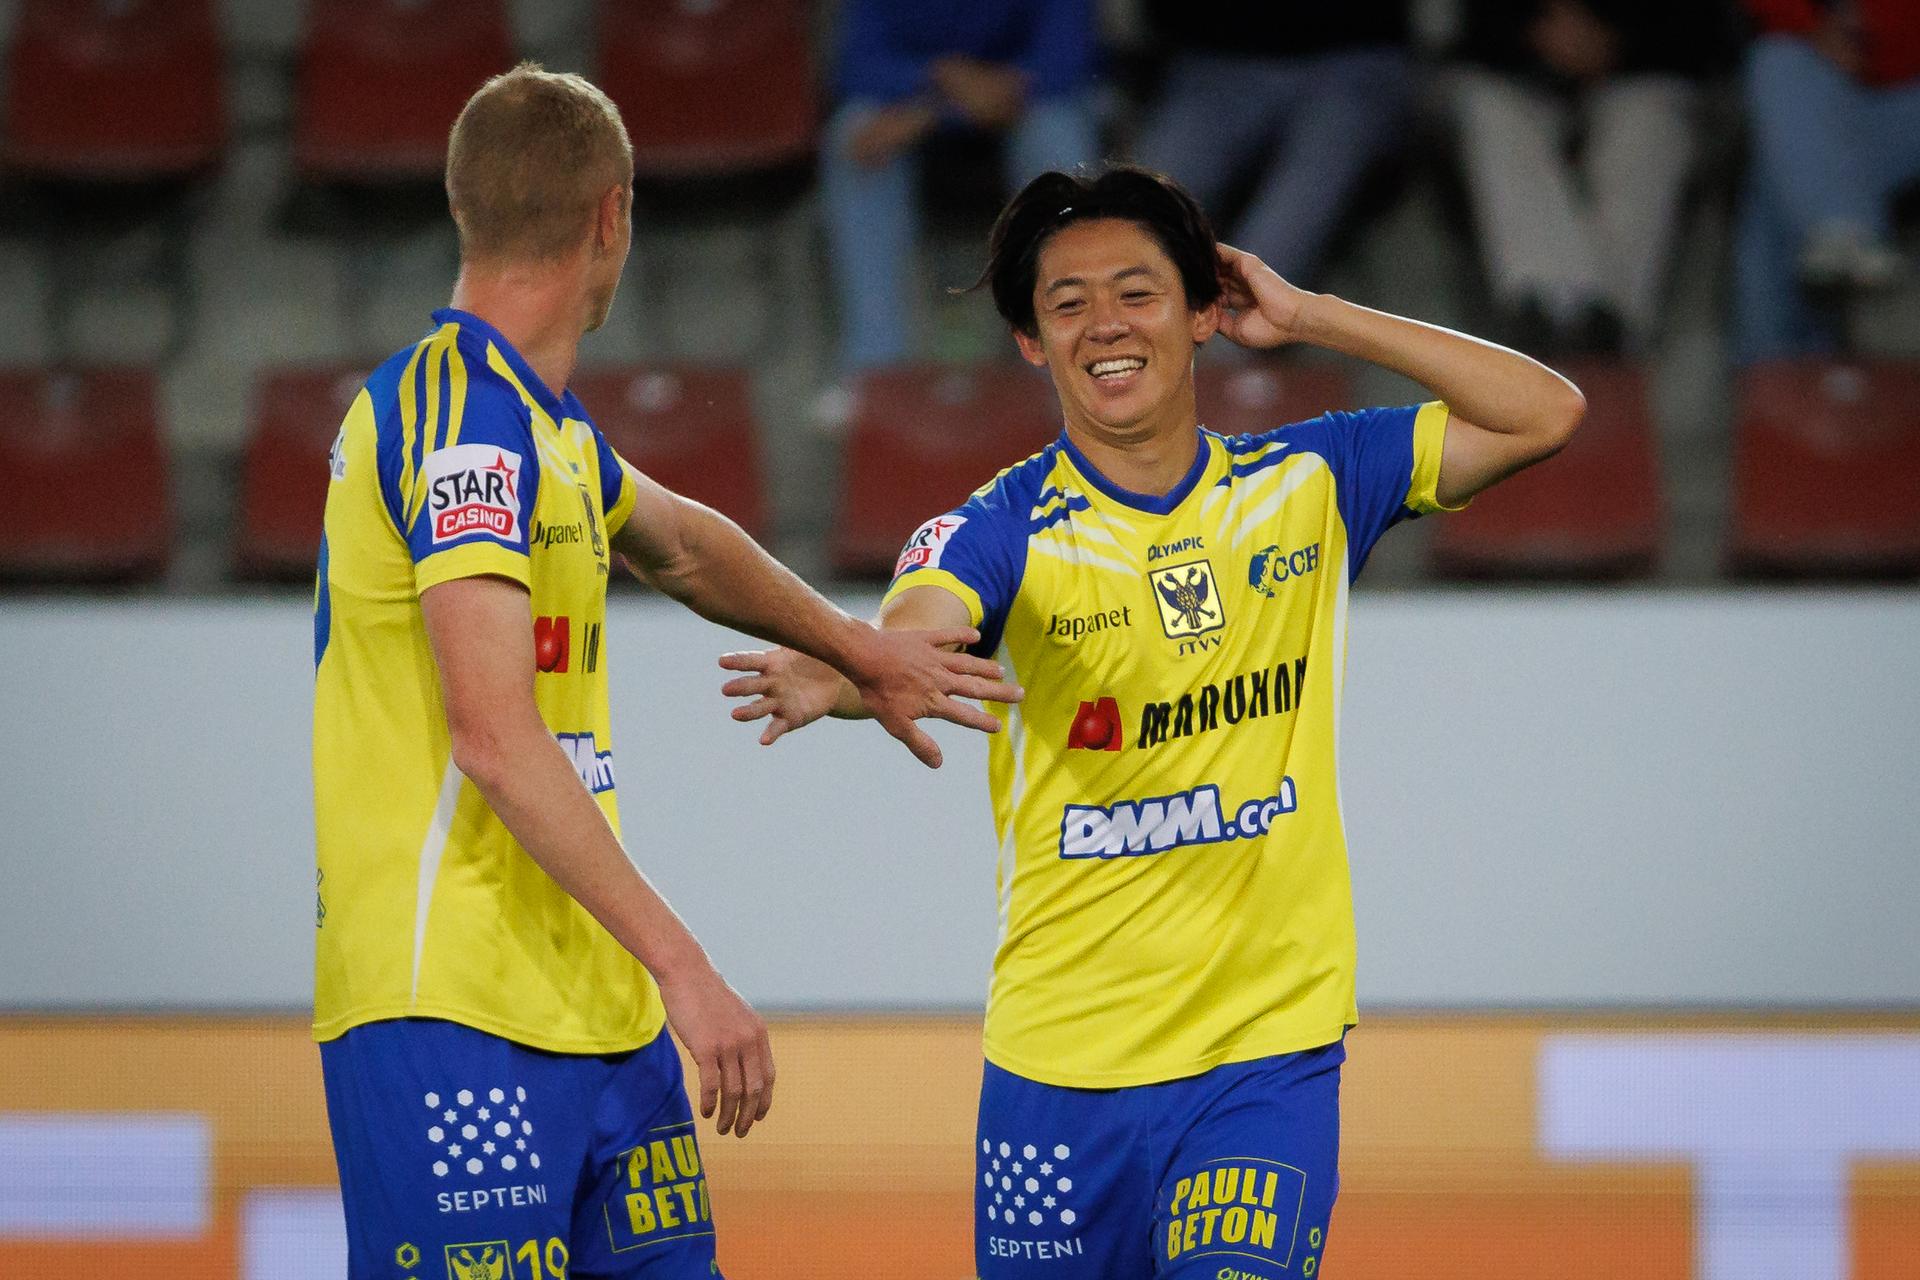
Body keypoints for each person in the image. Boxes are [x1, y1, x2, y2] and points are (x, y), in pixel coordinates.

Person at [719, 165, 1583, 1278]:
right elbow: (924, 632)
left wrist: (1313, 314)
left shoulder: (1309, 481)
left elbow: (1547, 411)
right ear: (1031, 343)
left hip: (1261, 1058)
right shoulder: (994, 527)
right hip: (1055, 1072)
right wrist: (855, 664)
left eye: (1137, 292)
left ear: (1204, 311)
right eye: (1066, 304)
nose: (1104, 326)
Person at [310, 64, 1020, 1280]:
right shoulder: (460, 421)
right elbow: (491, 733)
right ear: (611, 217)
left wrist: (863, 651)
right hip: (448, 1009)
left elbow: (682, 540)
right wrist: (687, 967)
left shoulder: (550, 431)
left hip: (598, 1005)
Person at [821, 0, 1099, 375]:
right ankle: (875, 368)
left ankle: (1067, 363)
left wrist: (968, 95)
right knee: (854, 136)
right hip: (915, 108)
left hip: (1020, 105)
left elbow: (1068, 62)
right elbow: (857, 66)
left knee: (1060, 137)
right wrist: (941, 86)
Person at [1450, 0, 1731, 354]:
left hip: (1644, 73)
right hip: (1519, 77)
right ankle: (1546, 307)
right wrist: (1535, 32)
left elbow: (1706, 32)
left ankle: (1606, 321)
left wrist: (1613, 39)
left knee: (1646, 127)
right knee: (1492, 115)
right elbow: (1464, 33)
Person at [1133, 0, 1413, 294]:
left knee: (1272, 254)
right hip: (1215, 57)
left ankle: (1229, 334)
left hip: (1354, 55)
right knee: (1133, 218)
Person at [1734, 0, 1920, 361]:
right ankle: (1844, 235)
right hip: (1823, 100)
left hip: (1905, 99)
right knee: (1777, 63)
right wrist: (1814, 29)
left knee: (1776, 190)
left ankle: (1842, 233)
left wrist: (1867, 43)